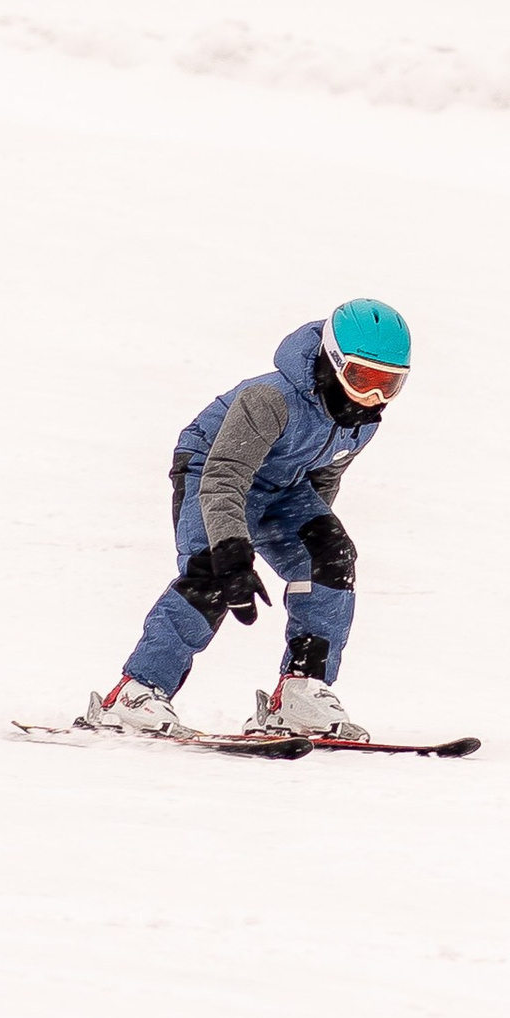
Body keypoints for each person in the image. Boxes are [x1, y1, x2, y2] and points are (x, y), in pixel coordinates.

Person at [92, 301, 413, 742]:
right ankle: (134, 695)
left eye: (388, 385)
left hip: (283, 488)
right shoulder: (270, 399)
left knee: (331, 558)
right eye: (362, 378)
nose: (372, 396)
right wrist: (231, 549)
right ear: (334, 361)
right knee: (213, 575)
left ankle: (300, 691)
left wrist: (311, 547)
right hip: (212, 471)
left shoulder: (360, 421)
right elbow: (225, 475)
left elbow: (324, 477)